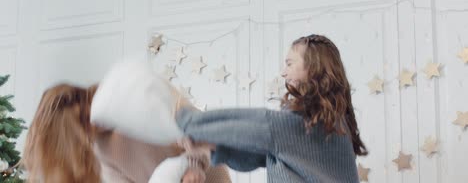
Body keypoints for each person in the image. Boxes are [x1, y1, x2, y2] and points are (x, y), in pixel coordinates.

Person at [176, 34, 368, 182]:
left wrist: (189, 123)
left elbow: (255, 125)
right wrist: (213, 145)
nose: (283, 72)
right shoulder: (335, 122)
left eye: (290, 64)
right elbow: (259, 157)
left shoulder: (302, 120)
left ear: (313, 67)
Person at [22, 83, 231, 183]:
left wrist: (194, 165)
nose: (91, 129)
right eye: (83, 129)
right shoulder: (101, 151)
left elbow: (194, 126)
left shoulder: (131, 97)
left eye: (86, 119)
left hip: (210, 174)